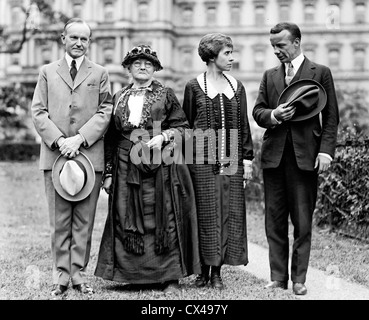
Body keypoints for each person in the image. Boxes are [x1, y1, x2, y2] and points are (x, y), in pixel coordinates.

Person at [94, 44, 201, 293]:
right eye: (137, 63)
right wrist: (108, 173)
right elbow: (110, 137)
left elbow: (184, 128)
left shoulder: (166, 94)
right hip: (124, 164)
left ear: (155, 69)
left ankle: (169, 277)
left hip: (160, 164)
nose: (143, 67)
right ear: (128, 68)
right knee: (125, 215)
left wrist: (164, 136)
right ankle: (132, 276)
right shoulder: (118, 97)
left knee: (164, 215)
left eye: (148, 64)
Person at [252, 22, 339, 295]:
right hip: (273, 159)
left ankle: (299, 279)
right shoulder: (269, 76)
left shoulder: (320, 73)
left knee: (302, 222)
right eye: (273, 46)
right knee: (274, 221)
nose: (276, 51)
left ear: (297, 42)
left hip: (307, 158)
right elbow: (258, 112)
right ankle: (278, 278)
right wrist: (274, 115)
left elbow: (332, 117)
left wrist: (325, 151)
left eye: (281, 45)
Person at [31, 18, 113, 297]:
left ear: (90, 42)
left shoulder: (100, 72)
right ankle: (60, 277)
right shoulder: (47, 71)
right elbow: (38, 112)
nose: (79, 43)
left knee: (84, 220)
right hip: (55, 156)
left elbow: (106, 110)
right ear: (63, 39)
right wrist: (60, 140)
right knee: (59, 220)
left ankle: (78, 274)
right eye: (74, 37)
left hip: (89, 155)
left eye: (84, 39)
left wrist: (80, 138)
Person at [182, 33, 254, 290]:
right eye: (227, 53)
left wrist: (246, 161)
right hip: (201, 160)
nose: (232, 58)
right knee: (203, 213)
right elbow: (187, 127)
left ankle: (216, 272)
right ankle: (202, 270)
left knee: (226, 212)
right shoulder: (193, 86)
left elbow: (243, 126)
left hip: (230, 158)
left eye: (232, 52)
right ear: (212, 56)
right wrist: (188, 164)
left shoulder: (237, 87)